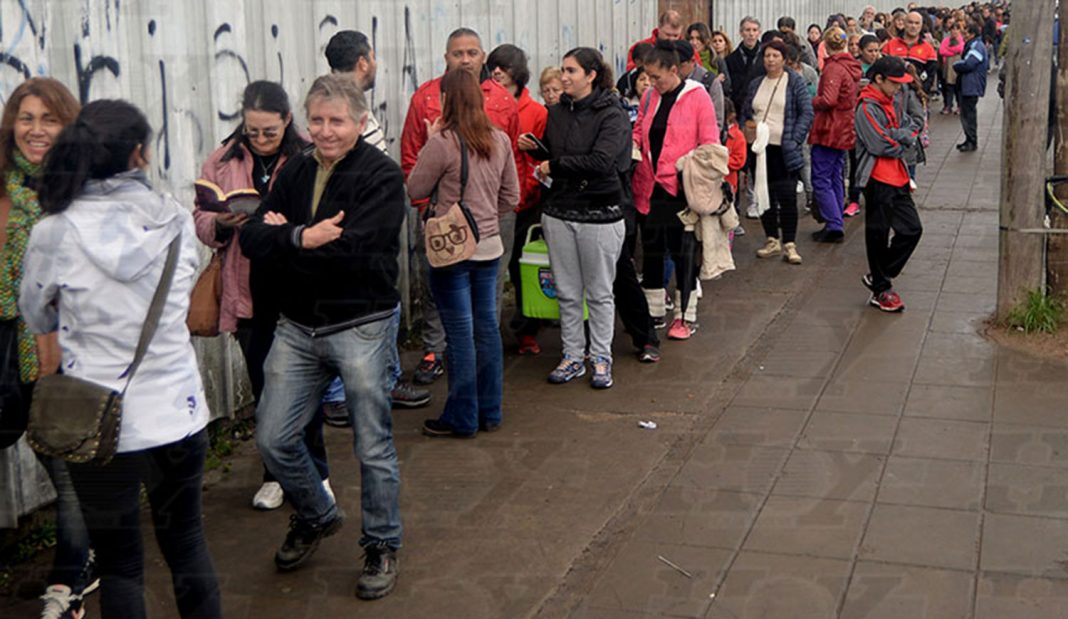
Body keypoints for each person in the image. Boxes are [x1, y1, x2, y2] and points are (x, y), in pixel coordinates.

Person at [23, 99, 221, 619]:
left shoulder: (54, 230)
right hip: (177, 412)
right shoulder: (176, 221)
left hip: (97, 421)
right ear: (139, 154)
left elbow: (37, 316)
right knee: (188, 547)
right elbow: (177, 296)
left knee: (120, 565)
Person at [240, 74, 404, 600]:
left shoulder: (381, 176)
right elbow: (251, 236)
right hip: (296, 327)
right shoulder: (295, 170)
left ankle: (381, 543)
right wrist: (300, 236)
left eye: (336, 121)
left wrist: (288, 246)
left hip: (361, 324)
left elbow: (360, 251)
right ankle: (315, 514)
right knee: (273, 437)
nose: (325, 131)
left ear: (360, 123)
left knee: (372, 444)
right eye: (317, 120)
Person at [192, 81, 335, 512]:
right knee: (264, 385)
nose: (259, 140)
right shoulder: (223, 159)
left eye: (269, 132)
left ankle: (316, 471)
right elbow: (200, 215)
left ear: (287, 121)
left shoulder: (312, 154)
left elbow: (331, 210)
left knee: (303, 386)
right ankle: (275, 473)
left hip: (299, 285)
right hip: (247, 285)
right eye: (252, 132)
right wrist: (220, 224)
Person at [0, 78, 92, 619]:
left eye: (48, 119)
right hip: (4, 346)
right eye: (26, 117)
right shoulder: (4, 185)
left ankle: (69, 576)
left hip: (61, 349)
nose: (35, 129)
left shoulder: (81, 190)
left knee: (66, 470)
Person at [401, 27, 520, 387]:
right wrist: (429, 209)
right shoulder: (425, 97)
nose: (465, 59)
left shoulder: (502, 100)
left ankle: (475, 366)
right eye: (458, 53)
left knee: (488, 297)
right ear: (446, 58)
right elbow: (410, 158)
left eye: (472, 52)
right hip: (441, 218)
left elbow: (509, 162)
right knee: (439, 290)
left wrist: (489, 213)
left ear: (483, 56)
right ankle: (435, 351)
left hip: (491, 220)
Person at [324, 29, 431, 414]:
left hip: (364, 230)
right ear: (363, 62)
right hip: (356, 231)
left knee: (372, 306)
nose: (376, 65)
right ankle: (343, 395)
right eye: (374, 57)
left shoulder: (341, 103)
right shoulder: (343, 108)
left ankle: (377, 382)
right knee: (361, 308)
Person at [520, 47, 629, 387]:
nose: (563, 77)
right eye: (563, 70)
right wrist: (539, 150)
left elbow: (602, 162)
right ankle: (571, 355)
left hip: (600, 213)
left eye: (571, 71)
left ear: (591, 75)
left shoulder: (612, 114)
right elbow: (559, 153)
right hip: (559, 210)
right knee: (566, 292)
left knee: (598, 292)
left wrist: (556, 164)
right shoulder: (557, 111)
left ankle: (600, 358)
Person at [633, 42, 720, 339]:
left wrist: (687, 165)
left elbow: (710, 144)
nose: (651, 82)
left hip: (682, 188)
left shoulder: (698, 98)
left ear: (674, 70)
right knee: (653, 250)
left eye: (657, 76)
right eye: (648, 76)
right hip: (650, 185)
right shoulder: (649, 97)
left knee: (683, 251)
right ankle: (654, 310)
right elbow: (640, 130)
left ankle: (686, 315)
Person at [487, 44, 549, 356]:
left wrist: (528, 186)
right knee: (495, 271)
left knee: (523, 269)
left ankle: (527, 330)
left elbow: (544, 159)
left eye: (504, 66)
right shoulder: (483, 105)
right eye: (494, 66)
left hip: (527, 200)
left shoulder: (536, 112)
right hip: (494, 203)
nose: (497, 71)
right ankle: (491, 333)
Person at [855, 56, 922, 313]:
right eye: (894, 83)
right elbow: (879, 143)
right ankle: (882, 286)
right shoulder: (867, 107)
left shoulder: (891, 101)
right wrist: (902, 139)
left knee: (912, 230)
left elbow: (909, 127)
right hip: (876, 178)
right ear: (879, 79)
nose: (898, 87)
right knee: (878, 234)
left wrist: (898, 136)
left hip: (899, 175)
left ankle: (879, 275)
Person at [742, 39, 814, 266]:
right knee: (764, 195)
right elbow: (746, 110)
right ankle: (771, 239)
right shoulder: (756, 84)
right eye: (767, 56)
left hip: (784, 149)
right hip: (760, 150)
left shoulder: (794, 82)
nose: (771, 60)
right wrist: (749, 128)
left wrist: (794, 139)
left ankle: (790, 244)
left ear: (784, 59)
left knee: (787, 195)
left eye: (775, 56)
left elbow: (806, 112)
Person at [809, 27, 862, 243]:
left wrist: (813, 100)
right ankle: (836, 217)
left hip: (829, 128)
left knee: (821, 177)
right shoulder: (850, 67)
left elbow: (829, 99)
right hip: (844, 127)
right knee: (836, 174)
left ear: (825, 46)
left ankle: (833, 223)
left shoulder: (833, 69)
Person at [676, 40, 726, 136]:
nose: (677, 70)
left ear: (693, 61)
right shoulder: (668, 81)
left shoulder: (710, 82)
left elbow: (717, 121)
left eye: (681, 66)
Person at [953, 22, 989, 153]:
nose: (963, 35)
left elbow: (969, 64)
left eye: (966, 33)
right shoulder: (975, 45)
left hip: (971, 85)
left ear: (972, 34)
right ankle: (969, 139)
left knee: (969, 115)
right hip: (969, 85)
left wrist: (956, 65)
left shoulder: (976, 46)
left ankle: (971, 141)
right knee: (967, 114)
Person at [885, 11, 938, 95]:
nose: (913, 26)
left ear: (921, 26)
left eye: (917, 23)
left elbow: (931, 74)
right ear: (904, 24)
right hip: (894, 93)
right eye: (910, 22)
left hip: (917, 93)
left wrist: (924, 90)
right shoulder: (890, 44)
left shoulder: (928, 48)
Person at [626, 10, 700, 70]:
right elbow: (632, 74)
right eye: (668, 35)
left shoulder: (689, 51)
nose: (671, 39)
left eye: (675, 35)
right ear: (659, 28)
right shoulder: (640, 48)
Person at [688, 22, 731, 89]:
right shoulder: (686, 60)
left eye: (698, 38)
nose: (694, 42)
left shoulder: (716, 60)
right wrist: (714, 81)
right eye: (691, 38)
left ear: (706, 39)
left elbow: (726, 86)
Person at [938, 18, 965, 115]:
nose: (954, 31)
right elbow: (941, 51)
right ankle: (948, 105)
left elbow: (961, 49)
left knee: (958, 88)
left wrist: (949, 51)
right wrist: (954, 51)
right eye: (952, 29)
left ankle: (960, 106)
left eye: (957, 29)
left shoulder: (962, 40)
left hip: (958, 67)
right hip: (947, 67)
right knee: (948, 88)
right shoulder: (946, 40)